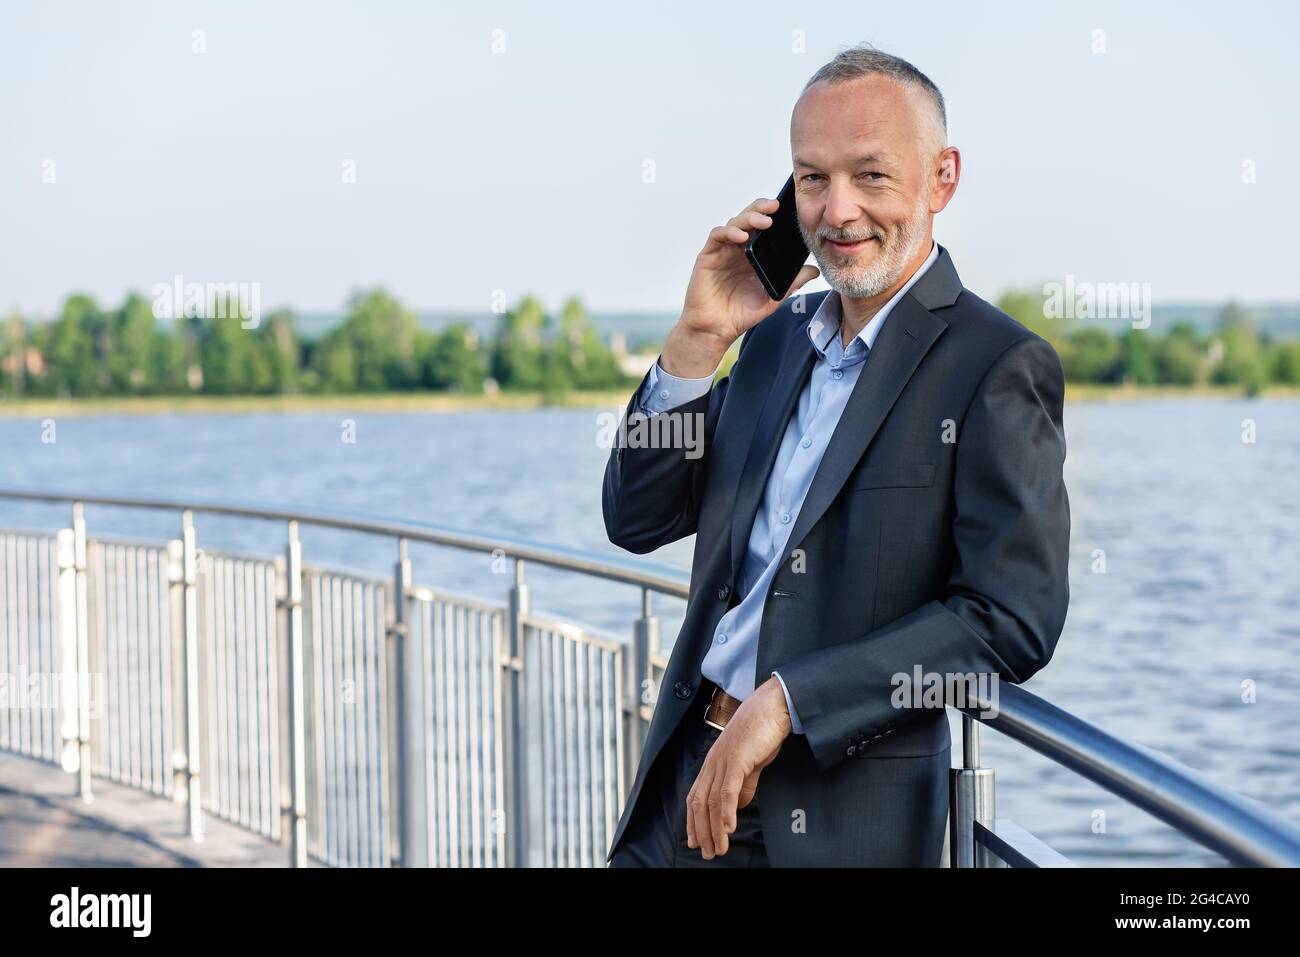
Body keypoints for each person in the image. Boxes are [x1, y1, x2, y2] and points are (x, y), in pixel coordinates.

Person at [602, 43, 1070, 867]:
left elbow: (1010, 621)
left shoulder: (994, 366)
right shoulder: (773, 338)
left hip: (834, 820)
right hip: (679, 787)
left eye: (871, 176)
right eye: (812, 178)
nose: (837, 211)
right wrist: (694, 343)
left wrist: (789, 700)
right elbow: (635, 518)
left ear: (942, 179)